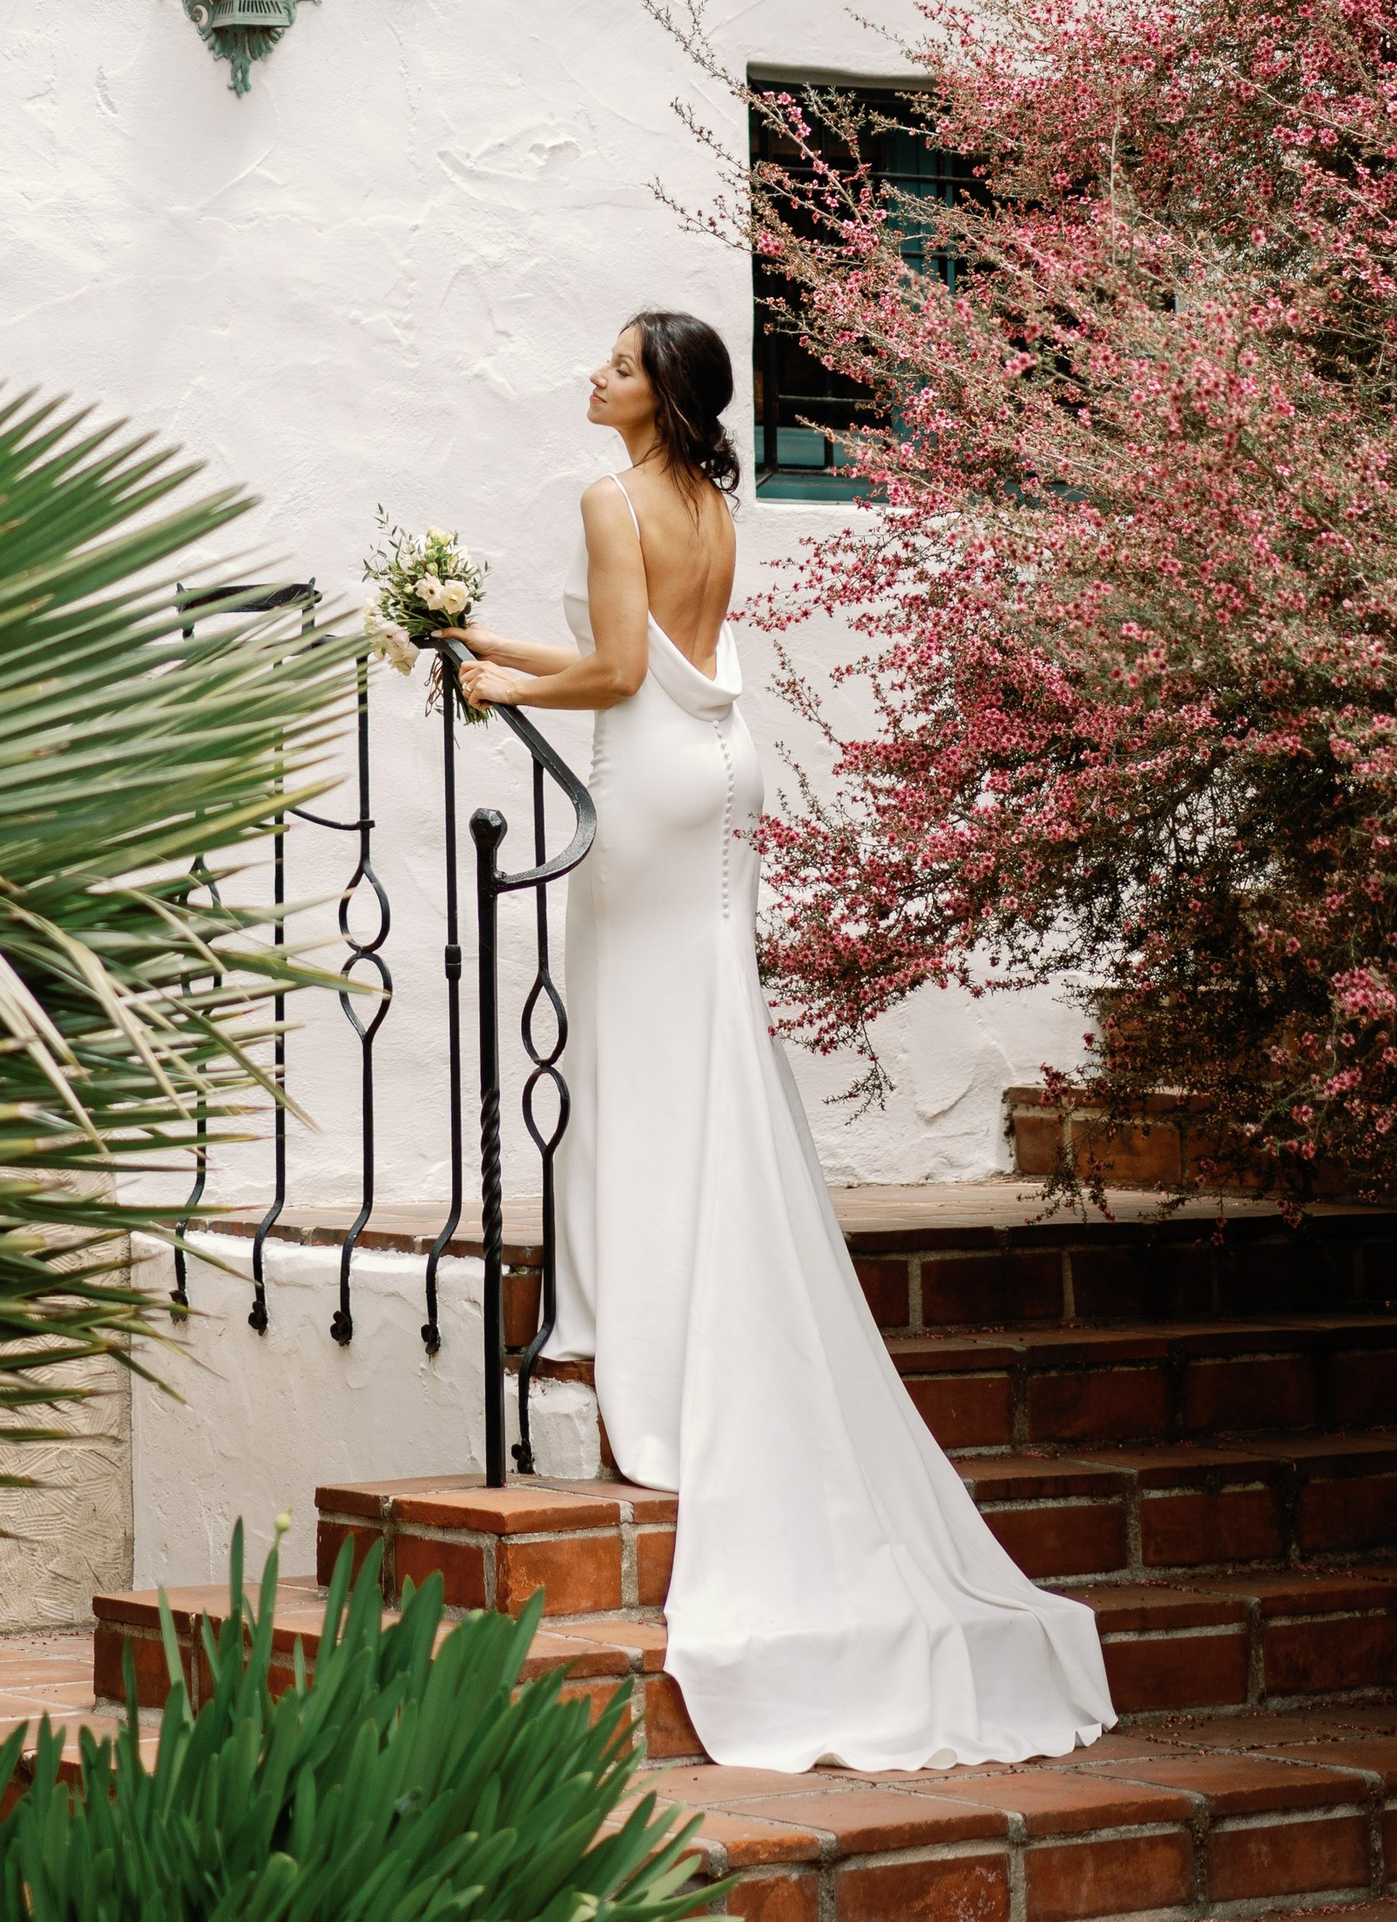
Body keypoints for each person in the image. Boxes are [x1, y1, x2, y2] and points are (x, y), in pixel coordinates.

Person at [444, 309, 1111, 1773]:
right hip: (726, 777)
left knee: (632, 1055)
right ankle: (683, 1287)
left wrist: (504, 691)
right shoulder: (707, 502)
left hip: (658, 789)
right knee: (704, 1043)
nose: (592, 373)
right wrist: (466, 630)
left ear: (658, 395)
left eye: (614, 363)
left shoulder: (610, 497)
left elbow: (617, 676)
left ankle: (634, 1320)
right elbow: (658, 649)